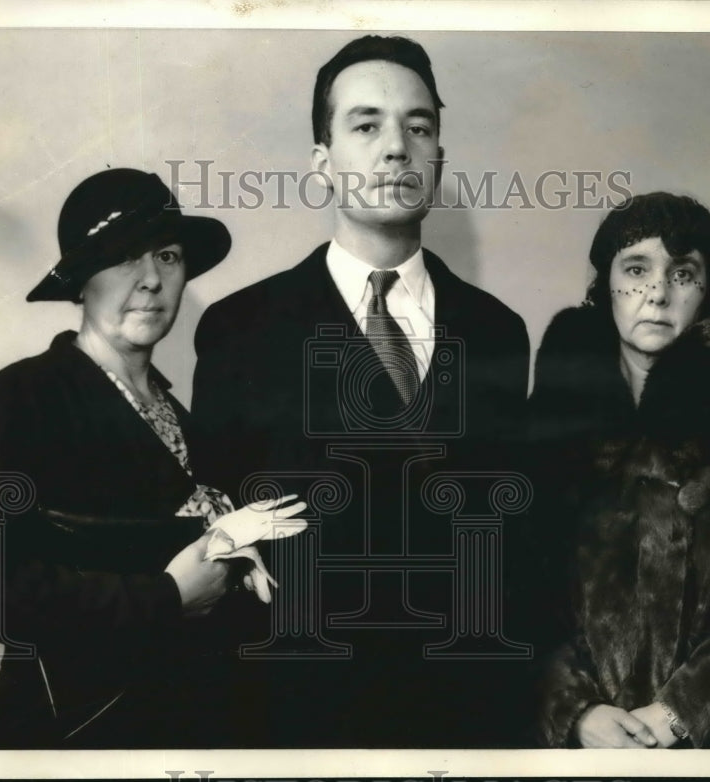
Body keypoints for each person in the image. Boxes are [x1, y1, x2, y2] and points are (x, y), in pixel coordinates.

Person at [191, 36, 531, 747]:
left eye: (420, 125)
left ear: (438, 154)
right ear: (323, 162)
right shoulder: (239, 329)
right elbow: (215, 521)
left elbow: (510, 533)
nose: (397, 148)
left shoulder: (497, 330)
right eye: (367, 124)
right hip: (289, 713)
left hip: (463, 714)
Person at [0, 168, 306, 748]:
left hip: (193, 729)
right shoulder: (16, 401)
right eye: (122, 257)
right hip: (71, 737)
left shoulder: (189, 421)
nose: (150, 281)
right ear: (81, 281)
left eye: (167, 256)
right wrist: (165, 597)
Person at [528, 192, 710, 748]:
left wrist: (679, 711)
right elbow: (514, 586)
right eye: (636, 269)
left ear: (707, 290)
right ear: (606, 289)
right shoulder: (548, 424)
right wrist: (576, 710)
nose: (658, 293)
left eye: (682, 273)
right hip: (578, 750)